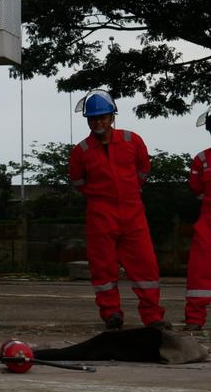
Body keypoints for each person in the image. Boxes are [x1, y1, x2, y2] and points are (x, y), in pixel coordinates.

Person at [69, 89, 167, 330]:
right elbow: (77, 181)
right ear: (88, 121)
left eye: (103, 117)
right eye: (93, 118)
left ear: (112, 117)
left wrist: (130, 190)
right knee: (103, 268)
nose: (98, 122)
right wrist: (99, 196)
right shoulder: (80, 151)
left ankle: (153, 317)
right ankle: (111, 313)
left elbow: (144, 169)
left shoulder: (132, 141)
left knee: (145, 266)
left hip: (133, 214)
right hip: (100, 216)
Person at [185, 107, 211, 331]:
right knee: (199, 269)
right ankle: (194, 319)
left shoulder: (203, 159)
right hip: (208, 220)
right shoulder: (201, 159)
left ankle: (194, 319)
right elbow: (197, 189)